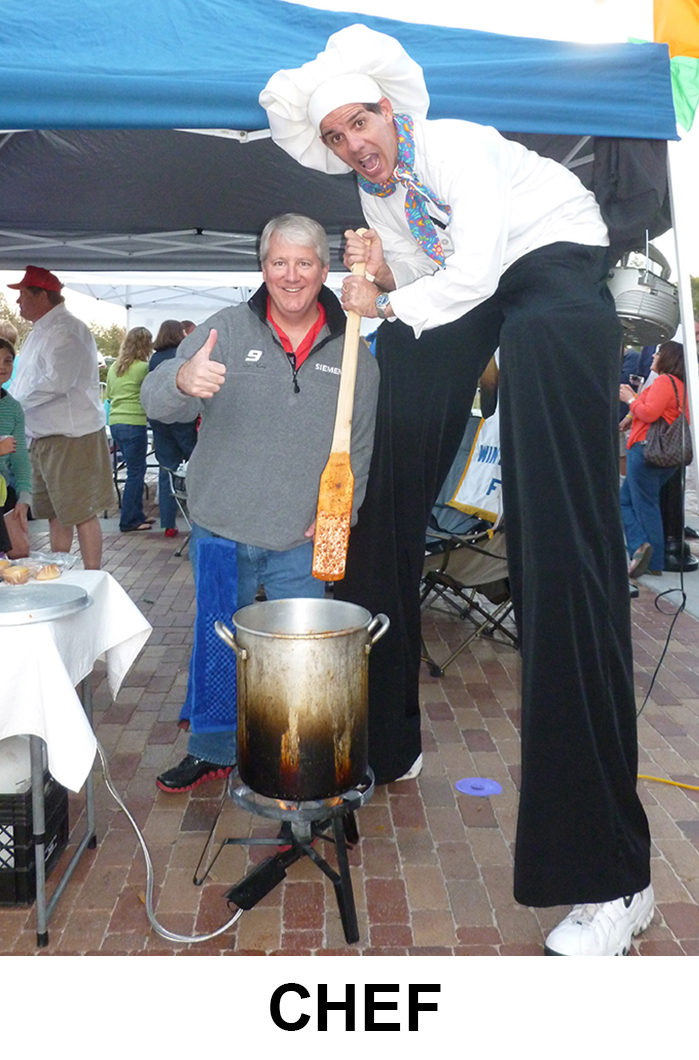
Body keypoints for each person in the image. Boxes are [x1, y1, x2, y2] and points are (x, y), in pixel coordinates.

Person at [260, 24, 654, 956]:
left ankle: (614, 881)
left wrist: (384, 301)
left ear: (390, 110)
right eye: (338, 139)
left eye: (362, 122)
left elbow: (472, 266)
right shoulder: (375, 191)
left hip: (551, 270)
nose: (356, 144)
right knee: (382, 460)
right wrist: (379, 277)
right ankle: (383, 741)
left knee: (559, 541)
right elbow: (433, 279)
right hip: (467, 294)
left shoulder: (462, 143)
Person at [141, 213, 379, 793]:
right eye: (279, 262)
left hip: (300, 536)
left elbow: (362, 447)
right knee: (219, 641)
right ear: (262, 266)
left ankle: (303, 761)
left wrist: (337, 519)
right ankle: (213, 748)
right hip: (222, 525)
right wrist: (180, 381)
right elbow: (155, 400)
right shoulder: (224, 329)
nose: (291, 276)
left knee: (303, 660)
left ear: (325, 270)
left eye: (304, 263)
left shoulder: (355, 354)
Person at [7, 266, 115, 569]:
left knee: (81, 512)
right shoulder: (42, 331)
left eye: (23, 296)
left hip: (71, 438)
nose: (18, 303)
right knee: (56, 511)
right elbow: (25, 381)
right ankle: (61, 568)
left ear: (42, 296)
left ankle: (94, 575)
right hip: (45, 437)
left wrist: (12, 404)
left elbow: (57, 381)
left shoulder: (68, 330)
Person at [620, 340, 690, 578]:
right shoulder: (682, 385)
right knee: (628, 500)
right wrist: (633, 413)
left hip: (645, 450)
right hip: (668, 455)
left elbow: (649, 412)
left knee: (641, 504)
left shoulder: (664, 382)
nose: (652, 357)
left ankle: (645, 553)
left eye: (658, 353)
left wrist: (630, 398)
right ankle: (647, 554)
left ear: (668, 358)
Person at [148, 319, 198, 538]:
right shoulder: (182, 356)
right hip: (182, 417)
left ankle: (168, 523)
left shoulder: (155, 358)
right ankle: (197, 518)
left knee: (166, 468)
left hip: (159, 419)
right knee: (196, 465)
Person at [106, 326, 154, 533]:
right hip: (134, 421)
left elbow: (108, 395)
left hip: (115, 422)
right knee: (136, 472)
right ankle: (129, 520)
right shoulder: (143, 367)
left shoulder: (114, 368)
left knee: (132, 470)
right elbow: (150, 393)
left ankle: (137, 514)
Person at [0, 338, 32, 531]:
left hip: (3, 491)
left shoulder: (13, 407)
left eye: (8, 360)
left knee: (19, 549)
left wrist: (24, 497)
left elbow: (20, 459)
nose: (2, 366)